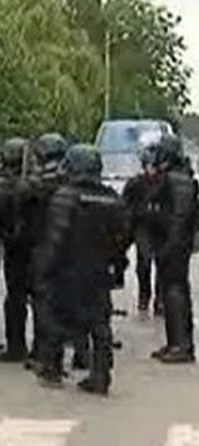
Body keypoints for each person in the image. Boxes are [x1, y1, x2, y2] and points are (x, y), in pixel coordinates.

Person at [35, 144, 130, 393]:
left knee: (55, 317)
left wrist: (43, 271)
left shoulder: (65, 196)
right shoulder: (112, 198)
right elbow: (122, 237)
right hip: (99, 270)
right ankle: (101, 374)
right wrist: (117, 267)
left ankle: (52, 368)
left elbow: (56, 237)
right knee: (100, 324)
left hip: (67, 269)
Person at [22, 132, 69, 370]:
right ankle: (81, 354)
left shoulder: (36, 183)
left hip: (42, 247)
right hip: (71, 251)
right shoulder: (72, 180)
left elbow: (19, 205)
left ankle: (45, 355)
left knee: (43, 303)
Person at [152, 135, 199, 363]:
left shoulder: (177, 180)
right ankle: (175, 343)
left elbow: (179, 217)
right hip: (174, 243)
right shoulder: (176, 177)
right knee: (172, 291)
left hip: (175, 245)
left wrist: (170, 244)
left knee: (175, 292)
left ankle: (181, 345)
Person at [0, 137, 34, 362]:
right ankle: (41, 349)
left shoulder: (3, 187)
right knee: (38, 298)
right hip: (37, 248)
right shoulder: (38, 184)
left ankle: (17, 347)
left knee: (16, 298)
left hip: (15, 248)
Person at [123, 143, 166, 317]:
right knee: (144, 262)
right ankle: (144, 295)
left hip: (162, 227)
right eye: (148, 165)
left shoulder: (167, 183)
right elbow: (124, 205)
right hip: (142, 227)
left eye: (154, 166)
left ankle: (160, 299)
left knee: (163, 263)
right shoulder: (135, 183)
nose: (151, 170)